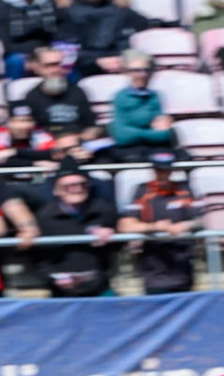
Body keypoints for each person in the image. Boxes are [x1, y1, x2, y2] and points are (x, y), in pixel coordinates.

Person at [19, 163, 118, 296]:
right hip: (60, 289)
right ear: (56, 191)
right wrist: (52, 277)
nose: (77, 189)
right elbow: (36, 256)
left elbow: (119, 247)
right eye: (69, 186)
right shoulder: (44, 217)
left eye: (82, 184)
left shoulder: (103, 210)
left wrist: (111, 232)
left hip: (100, 286)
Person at [118, 150, 199, 294]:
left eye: (166, 170)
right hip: (153, 267)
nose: (162, 174)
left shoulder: (184, 189)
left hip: (182, 265)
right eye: (158, 170)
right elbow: (125, 225)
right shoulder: (142, 191)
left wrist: (185, 225)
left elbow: (202, 219)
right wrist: (155, 227)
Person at [24, 48, 100, 149]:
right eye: (49, 66)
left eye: (60, 65)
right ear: (37, 68)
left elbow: (91, 126)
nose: (56, 70)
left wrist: (78, 139)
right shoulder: (32, 96)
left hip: (79, 143)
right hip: (47, 146)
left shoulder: (78, 91)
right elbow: (30, 131)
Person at [108, 51, 176, 161]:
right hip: (130, 151)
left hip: (156, 149)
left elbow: (164, 134)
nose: (143, 74)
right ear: (127, 72)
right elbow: (122, 136)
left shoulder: (156, 96)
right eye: (137, 70)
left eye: (147, 70)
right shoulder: (120, 97)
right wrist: (151, 133)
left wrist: (134, 132)